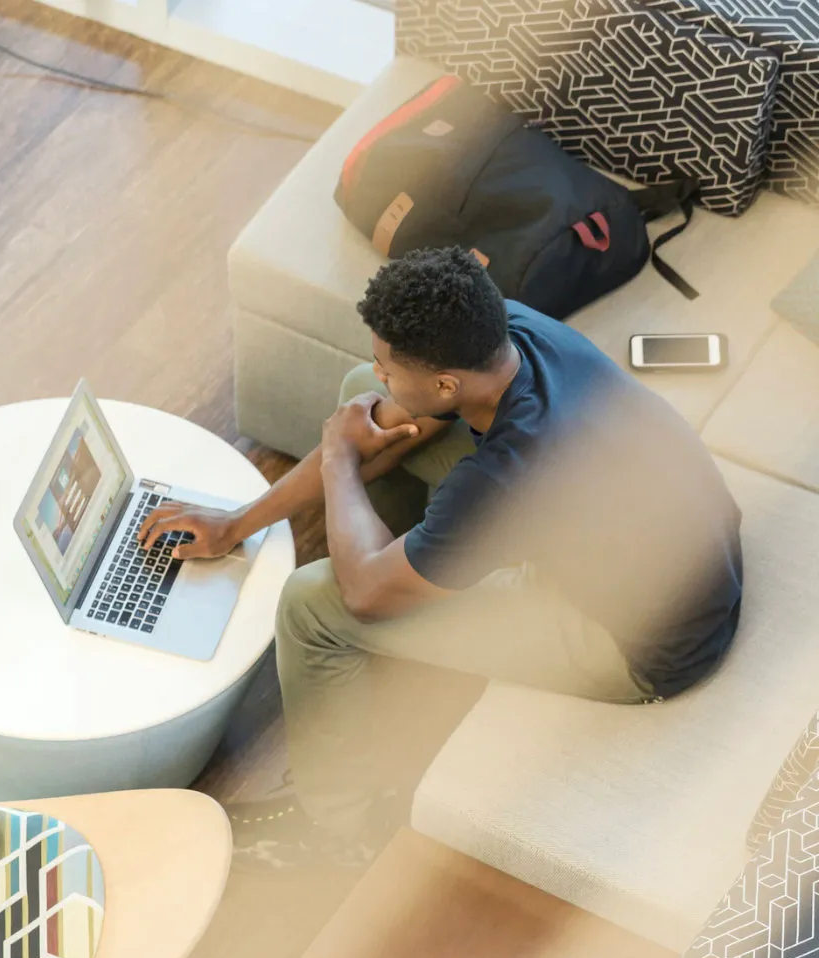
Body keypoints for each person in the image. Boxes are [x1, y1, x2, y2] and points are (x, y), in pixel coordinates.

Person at [138, 247, 744, 869]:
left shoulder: (512, 469)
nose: (380, 373)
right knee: (359, 400)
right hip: (677, 552)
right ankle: (413, 574)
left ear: (448, 383)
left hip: (639, 643)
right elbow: (390, 414)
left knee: (311, 605)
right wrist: (237, 523)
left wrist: (341, 460)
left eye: (388, 365)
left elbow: (362, 594)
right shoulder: (507, 331)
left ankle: (336, 829)